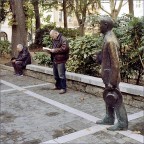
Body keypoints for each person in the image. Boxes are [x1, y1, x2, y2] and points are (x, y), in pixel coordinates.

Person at [96, 16, 128, 131]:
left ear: (106, 25)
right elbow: (108, 58)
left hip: (111, 76)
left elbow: (115, 63)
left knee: (116, 99)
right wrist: (99, 57)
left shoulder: (110, 40)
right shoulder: (107, 37)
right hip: (107, 74)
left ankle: (122, 123)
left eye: (100, 24)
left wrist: (113, 81)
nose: (98, 26)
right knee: (108, 96)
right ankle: (109, 118)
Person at [47, 30, 69, 94]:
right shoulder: (55, 39)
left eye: (52, 36)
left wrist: (54, 50)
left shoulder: (63, 39)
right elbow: (55, 48)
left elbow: (65, 48)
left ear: (56, 33)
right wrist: (50, 50)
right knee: (56, 74)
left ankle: (63, 88)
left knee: (61, 74)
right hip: (55, 58)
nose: (52, 38)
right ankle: (58, 86)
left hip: (61, 59)